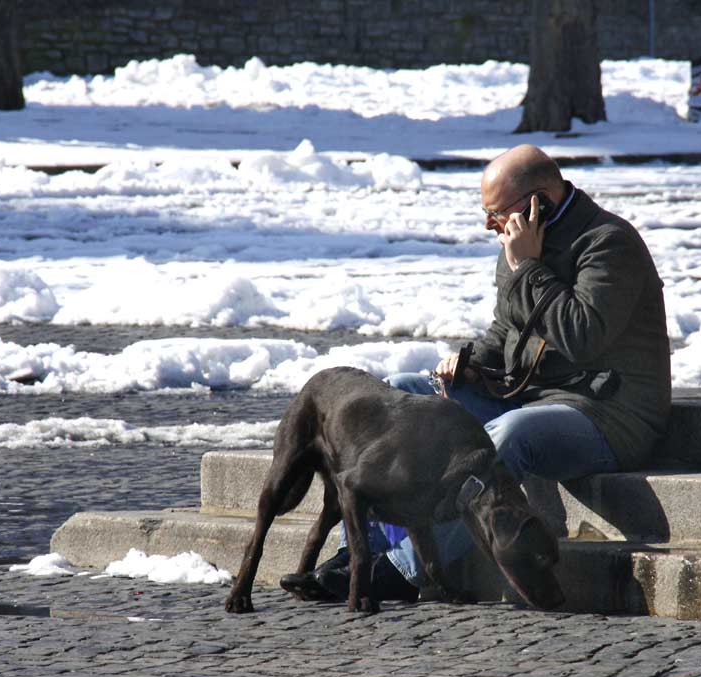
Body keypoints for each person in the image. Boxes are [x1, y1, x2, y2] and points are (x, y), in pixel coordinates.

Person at [280, 144, 671, 603]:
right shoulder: (519, 243)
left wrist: (528, 266)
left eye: (496, 213)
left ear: (537, 202)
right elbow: (507, 333)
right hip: (531, 395)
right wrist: (469, 364)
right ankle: (358, 554)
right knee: (403, 397)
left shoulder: (607, 242)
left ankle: (404, 569)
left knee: (506, 435)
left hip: (608, 412)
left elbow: (583, 336)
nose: (489, 225)